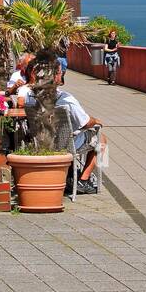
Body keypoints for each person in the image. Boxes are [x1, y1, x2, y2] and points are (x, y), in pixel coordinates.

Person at [38, 49, 104, 193]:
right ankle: (84, 180)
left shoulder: (36, 96)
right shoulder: (67, 99)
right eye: (60, 72)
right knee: (102, 140)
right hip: (66, 144)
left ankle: (70, 176)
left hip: (45, 142)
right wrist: (96, 120)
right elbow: (85, 122)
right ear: (56, 76)